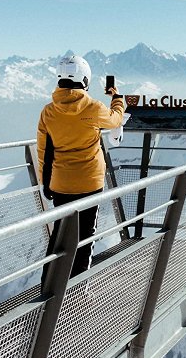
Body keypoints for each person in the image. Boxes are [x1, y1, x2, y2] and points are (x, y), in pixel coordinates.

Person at [37, 53, 124, 279]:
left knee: (60, 234)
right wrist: (117, 100)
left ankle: (50, 284)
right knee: (85, 235)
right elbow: (114, 120)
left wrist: (45, 183)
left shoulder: (48, 112)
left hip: (60, 183)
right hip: (89, 181)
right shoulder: (93, 108)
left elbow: (44, 152)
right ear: (85, 79)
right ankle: (77, 291)